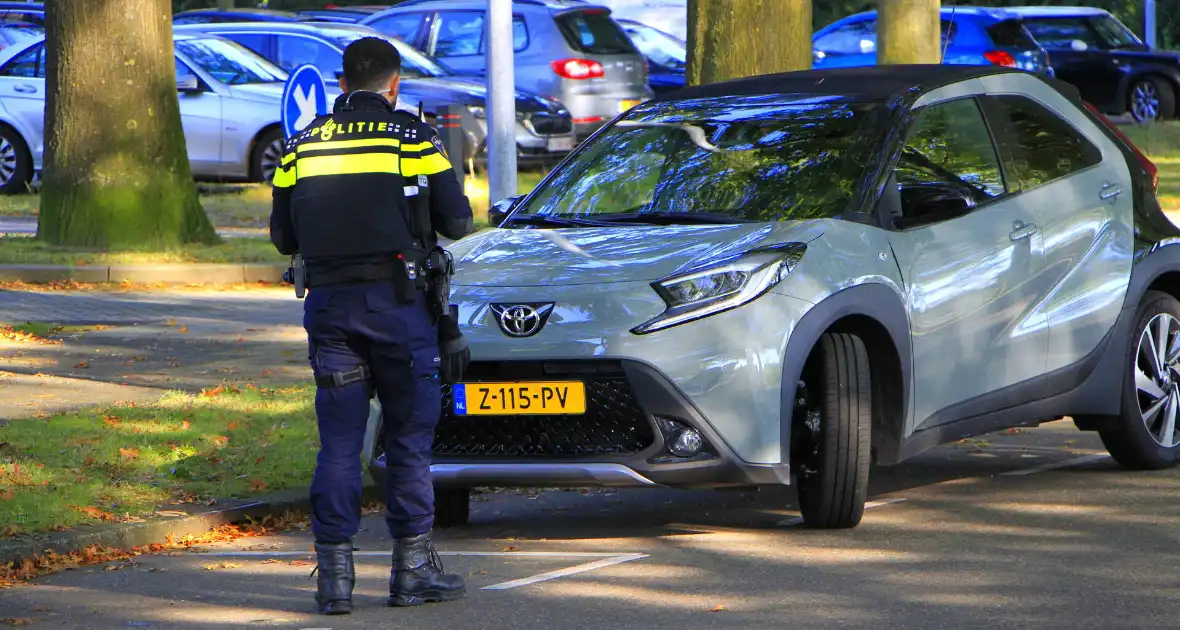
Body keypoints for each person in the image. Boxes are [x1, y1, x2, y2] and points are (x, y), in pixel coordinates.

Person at [269, 36, 474, 615]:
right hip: (400, 309)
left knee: (338, 443)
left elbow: (284, 238)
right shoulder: (413, 139)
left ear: (340, 85)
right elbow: (457, 221)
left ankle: (333, 581)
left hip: (331, 312)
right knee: (408, 440)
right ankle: (411, 572)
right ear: (395, 84)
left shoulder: (301, 146)